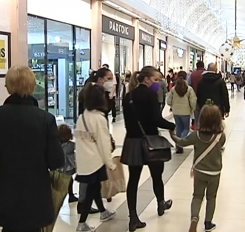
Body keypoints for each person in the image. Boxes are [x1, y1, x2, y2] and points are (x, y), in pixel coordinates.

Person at [0, 66, 65, 232]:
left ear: (9, 86)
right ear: (32, 85)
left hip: (2, 187)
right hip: (35, 191)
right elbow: (56, 160)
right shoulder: (45, 119)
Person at [121, 66, 176, 231]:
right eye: (156, 79)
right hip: (151, 141)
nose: (158, 83)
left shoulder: (128, 96)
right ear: (147, 79)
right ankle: (160, 202)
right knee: (156, 175)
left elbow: (127, 121)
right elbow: (156, 119)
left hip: (132, 141)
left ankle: (133, 217)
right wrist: (172, 125)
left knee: (134, 179)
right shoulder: (151, 95)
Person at [169, 105, 226, 232]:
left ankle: (194, 219)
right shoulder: (220, 136)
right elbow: (221, 145)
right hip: (214, 172)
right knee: (211, 197)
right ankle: (208, 223)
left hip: (199, 171)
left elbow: (182, 142)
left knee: (197, 196)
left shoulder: (196, 135)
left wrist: (172, 135)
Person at [75, 83, 117, 232]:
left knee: (95, 187)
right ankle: (82, 223)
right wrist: (110, 163)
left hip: (84, 161)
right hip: (95, 161)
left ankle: (103, 211)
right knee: (92, 191)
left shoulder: (83, 116)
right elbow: (104, 144)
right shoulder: (99, 119)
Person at [167, 71, 196, 154]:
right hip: (186, 112)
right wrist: (192, 108)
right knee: (186, 128)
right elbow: (193, 101)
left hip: (176, 112)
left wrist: (172, 106)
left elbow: (169, 101)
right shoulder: (189, 89)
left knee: (179, 128)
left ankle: (178, 145)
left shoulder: (173, 89)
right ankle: (181, 143)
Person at [58, 124, 78, 203]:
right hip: (69, 166)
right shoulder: (71, 145)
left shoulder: (56, 144)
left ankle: (69, 195)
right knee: (70, 180)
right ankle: (71, 195)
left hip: (60, 166)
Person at [188, 61, 205, 129]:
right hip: (204, 96)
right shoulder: (205, 73)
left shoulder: (192, 74)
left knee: (196, 112)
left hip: (194, 95)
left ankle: (196, 126)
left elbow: (189, 84)